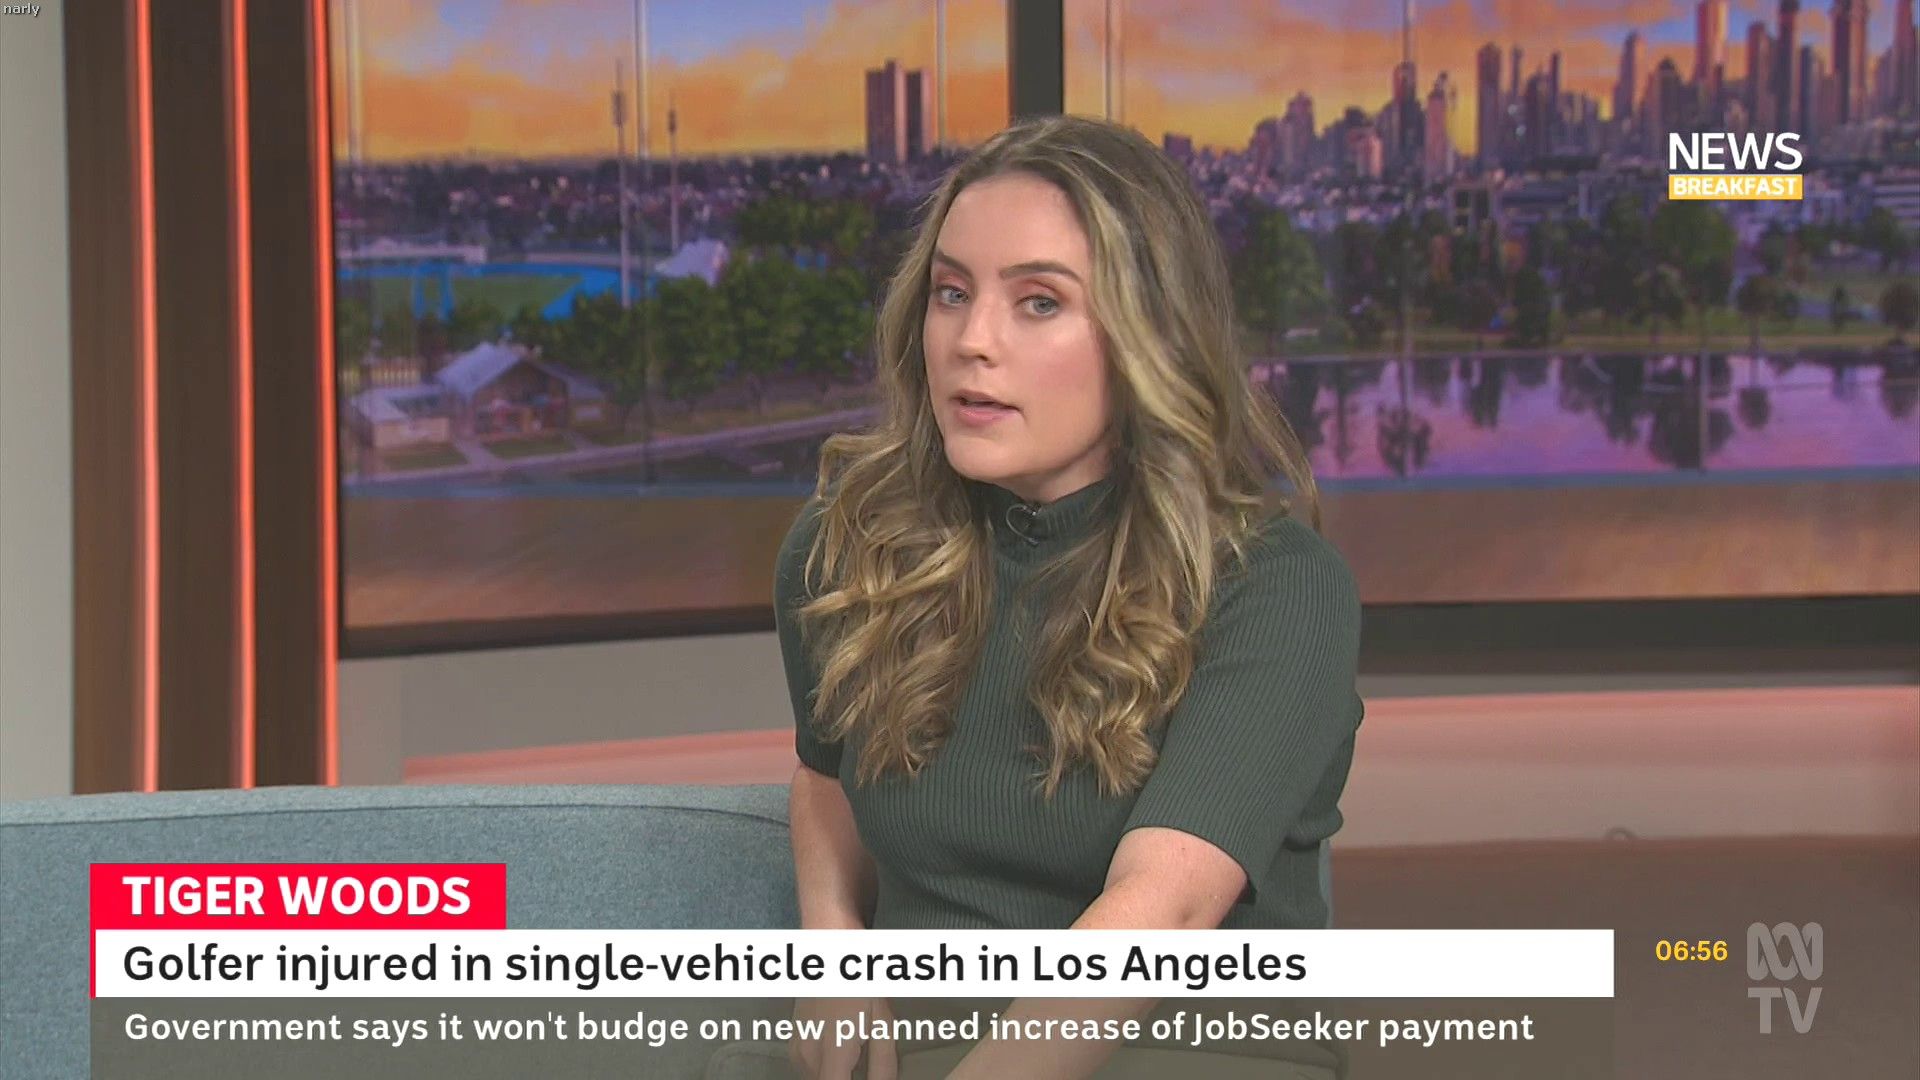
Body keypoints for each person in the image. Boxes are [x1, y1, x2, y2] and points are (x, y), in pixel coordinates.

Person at [775, 114, 1363, 1080]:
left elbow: (1164, 909)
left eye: (1039, 302)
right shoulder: (848, 548)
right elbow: (825, 774)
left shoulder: (1275, 586)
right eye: (951, 292)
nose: (972, 341)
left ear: (1147, 334)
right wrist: (834, 951)